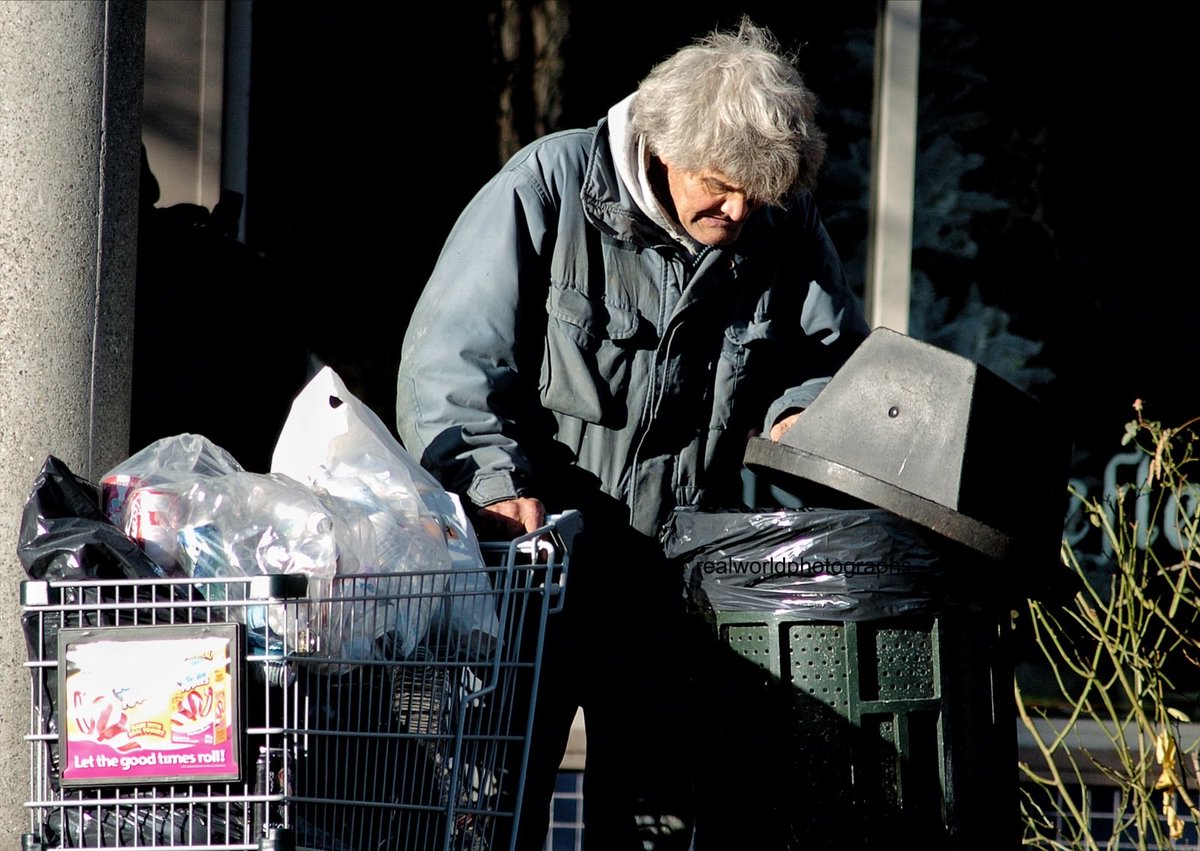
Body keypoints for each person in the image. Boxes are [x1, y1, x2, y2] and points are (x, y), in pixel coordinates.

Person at [396, 16, 869, 850]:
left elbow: (830, 361)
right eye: (722, 186)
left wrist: (800, 414)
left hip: (676, 583)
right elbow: (450, 370)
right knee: (493, 814)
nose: (739, 209)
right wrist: (494, 485)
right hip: (533, 576)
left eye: (759, 194)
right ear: (667, 149)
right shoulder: (547, 185)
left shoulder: (780, 224)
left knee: (658, 824)